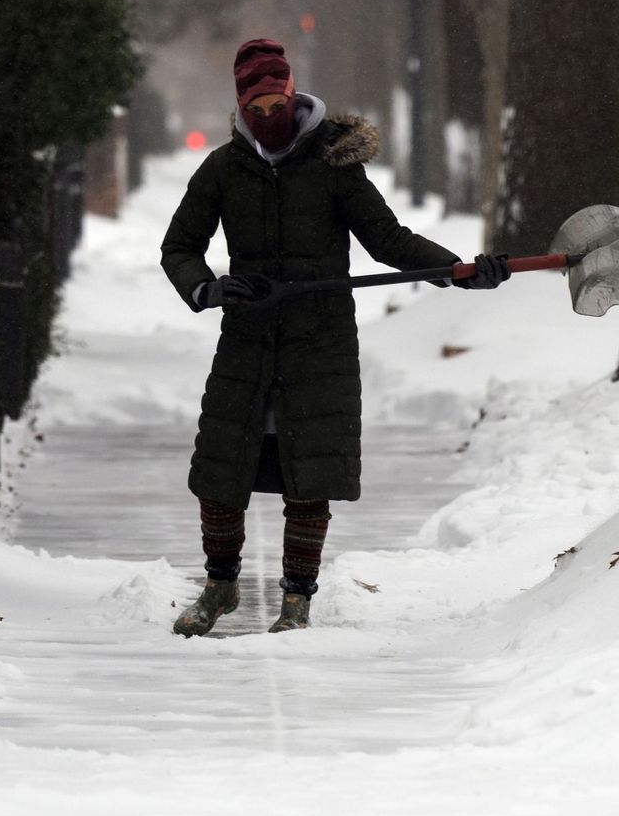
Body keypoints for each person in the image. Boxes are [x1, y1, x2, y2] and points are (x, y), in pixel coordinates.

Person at [159, 38, 511, 636]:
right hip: (247, 341)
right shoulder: (222, 169)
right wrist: (212, 290)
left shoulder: (333, 167)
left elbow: (388, 240)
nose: (268, 118)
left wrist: (457, 271)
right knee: (221, 470)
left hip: (318, 344)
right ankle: (220, 588)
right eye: (256, 109)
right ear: (242, 108)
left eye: (277, 105)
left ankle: (296, 602)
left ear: (293, 98)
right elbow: (179, 248)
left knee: (310, 472)